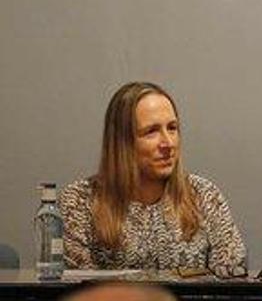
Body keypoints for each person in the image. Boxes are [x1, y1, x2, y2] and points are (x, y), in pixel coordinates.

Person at [59, 82, 247, 272]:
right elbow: (78, 288)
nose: (168, 143)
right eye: (152, 132)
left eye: (172, 128)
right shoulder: (80, 201)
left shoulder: (203, 195)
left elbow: (232, 275)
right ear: (122, 142)